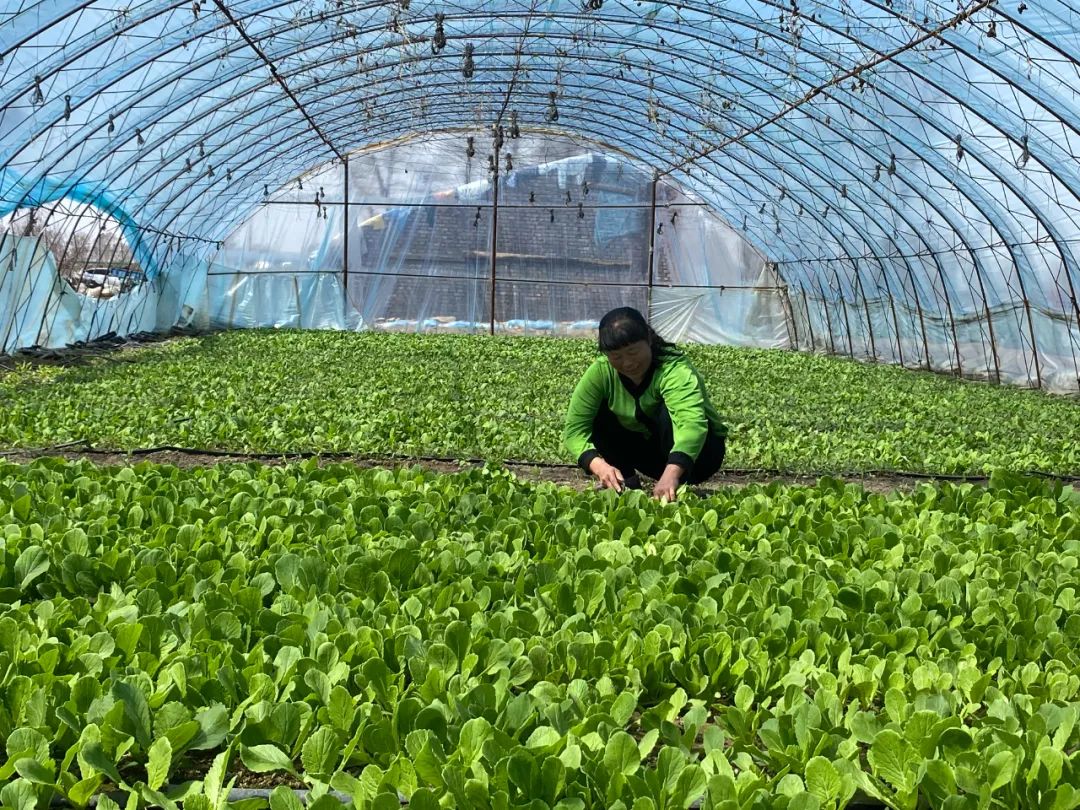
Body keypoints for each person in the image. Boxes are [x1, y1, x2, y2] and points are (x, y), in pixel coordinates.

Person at [563, 307, 728, 501]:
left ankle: (675, 484)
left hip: (701, 456)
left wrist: (671, 474)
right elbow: (574, 431)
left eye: (633, 352)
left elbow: (691, 426)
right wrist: (599, 466)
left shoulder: (674, 369)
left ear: (648, 340)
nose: (628, 363)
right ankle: (626, 483)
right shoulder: (601, 372)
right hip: (652, 456)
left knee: (668, 414)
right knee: (599, 415)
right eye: (616, 357)